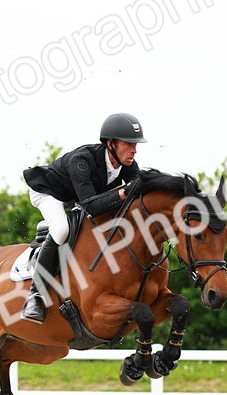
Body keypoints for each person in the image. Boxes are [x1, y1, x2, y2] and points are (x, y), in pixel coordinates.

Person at [18, 112, 146, 323]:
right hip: (47, 192)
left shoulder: (127, 164)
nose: (134, 150)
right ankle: (35, 295)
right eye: (128, 144)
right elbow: (92, 207)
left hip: (75, 198)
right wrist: (124, 192)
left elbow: (138, 192)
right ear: (111, 144)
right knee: (61, 230)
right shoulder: (83, 160)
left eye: (135, 144)